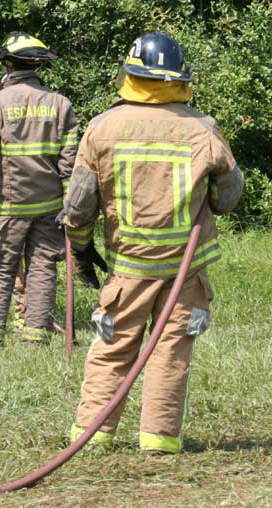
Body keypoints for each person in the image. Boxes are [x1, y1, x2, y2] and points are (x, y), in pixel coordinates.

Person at [64, 31, 243, 453]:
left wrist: (81, 246)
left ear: (129, 75)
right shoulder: (202, 129)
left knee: (112, 347)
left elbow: (79, 205)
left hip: (128, 269)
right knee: (171, 352)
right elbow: (228, 198)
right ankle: (159, 440)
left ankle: (92, 436)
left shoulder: (102, 128)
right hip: (185, 271)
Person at [0, 32, 79, 348]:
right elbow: (70, 163)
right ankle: (34, 339)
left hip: (8, 207)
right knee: (43, 268)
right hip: (50, 208)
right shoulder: (61, 104)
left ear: (8, 65)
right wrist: (69, 207)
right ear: (37, 66)